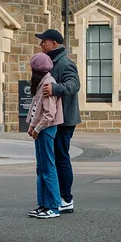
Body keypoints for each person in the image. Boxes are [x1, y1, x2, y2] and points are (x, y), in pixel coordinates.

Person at [36, 29, 80, 214]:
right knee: (52, 160)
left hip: (65, 121)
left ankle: (66, 198)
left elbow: (74, 85)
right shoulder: (53, 62)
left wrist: (55, 88)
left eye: (43, 41)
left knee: (61, 159)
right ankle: (54, 198)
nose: (41, 45)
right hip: (55, 120)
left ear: (54, 43)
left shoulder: (65, 63)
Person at [25, 52, 64, 219]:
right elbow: (37, 108)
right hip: (42, 129)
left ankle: (53, 206)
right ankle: (43, 205)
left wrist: (37, 128)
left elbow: (49, 114)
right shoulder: (44, 83)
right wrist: (32, 125)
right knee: (41, 168)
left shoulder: (48, 84)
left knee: (48, 168)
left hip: (46, 130)